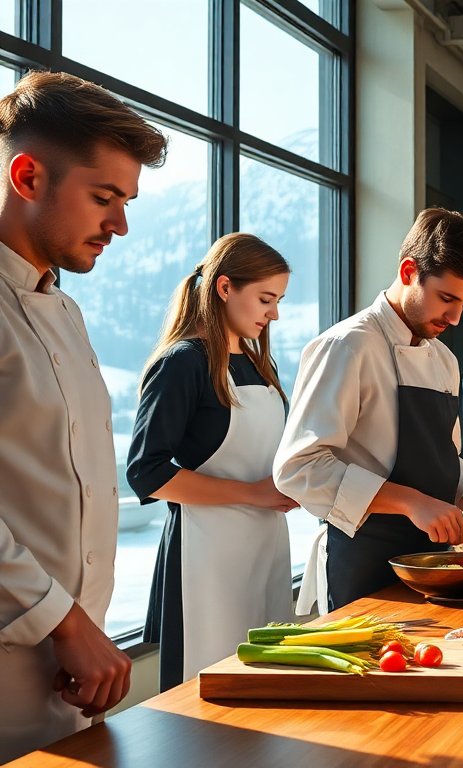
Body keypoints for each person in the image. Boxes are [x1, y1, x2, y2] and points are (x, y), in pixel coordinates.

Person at [0, 71, 167, 762]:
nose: (121, 224)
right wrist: (62, 620)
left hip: (70, 674)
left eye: (125, 200)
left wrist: (80, 629)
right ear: (29, 176)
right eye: (104, 197)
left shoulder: (63, 310)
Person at [274, 209, 463, 613]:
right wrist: (412, 502)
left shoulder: (444, 359)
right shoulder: (346, 347)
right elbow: (298, 469)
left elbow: (446, 460)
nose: (454, 317)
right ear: (409, 270)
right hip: (363, 562)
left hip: (436, 565)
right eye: (447, 299)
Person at [126, 234, 297, 691]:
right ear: (224, 288)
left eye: (277, 301)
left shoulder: (262, 365)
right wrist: (253, 493)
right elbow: (147, 471)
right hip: (204, 560)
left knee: (267, 688)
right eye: (265, 299)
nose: (273, 313)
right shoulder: (183, 363)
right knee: (205, 705)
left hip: (265, 548)